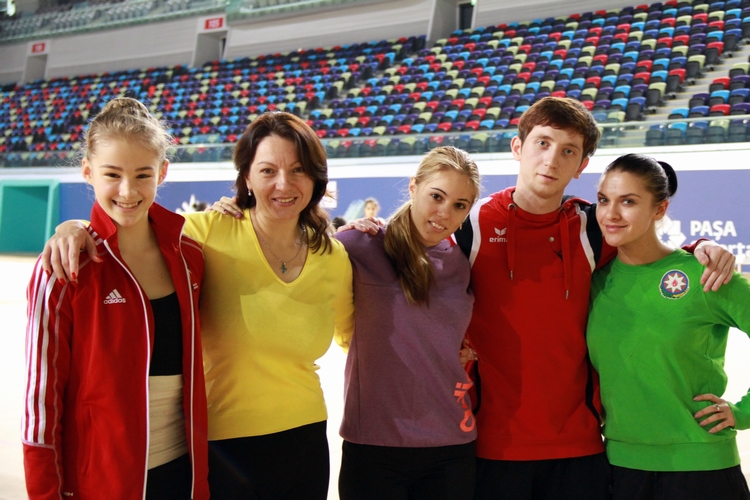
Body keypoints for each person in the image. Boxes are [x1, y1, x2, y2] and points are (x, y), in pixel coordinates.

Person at [41, 111, 355, 499]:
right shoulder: (202, 234)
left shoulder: (333, 256)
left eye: (298, 170)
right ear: (247, 177)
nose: (283, 183)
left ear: (317, 178)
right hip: (221, 446)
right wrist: (73, 227)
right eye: (267, 170)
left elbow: (354, 337)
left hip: (305, 442)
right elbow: (131, 225)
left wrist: (370, 234)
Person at [450, 97, 737, 499]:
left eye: (568, 151)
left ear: (582, 165)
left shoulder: (591, 227)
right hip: (492, 443)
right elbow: (415, 250)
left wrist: (700, 247)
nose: (552, 160)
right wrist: (369, 230)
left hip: (581, 446)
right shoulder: (471, 224)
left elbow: (646, 246)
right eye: (542, 143)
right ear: (517, 147)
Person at [23, 97, 210, 499]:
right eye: (112, 174)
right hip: (102, 480)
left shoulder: (190, 258)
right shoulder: (63, 267)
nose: (128, 191)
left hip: (183, 473)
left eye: (143, 175)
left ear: (162, 172)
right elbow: (41, 401)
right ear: (87, 172)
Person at [587, 154, 750, 500]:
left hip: (702, 469)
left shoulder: (706, 274)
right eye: (603, 200)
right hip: (620, 467)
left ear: (660, 209)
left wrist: (744, 412)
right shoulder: (595, 282)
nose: (610, 214)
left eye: (628, 202)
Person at [336, 146, 481, 500]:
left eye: (459, 205)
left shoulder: (461, 263)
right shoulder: (360, 244)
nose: (444, 213)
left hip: (452, 444)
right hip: (374, 445)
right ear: (414, 187)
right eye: (437, 196)